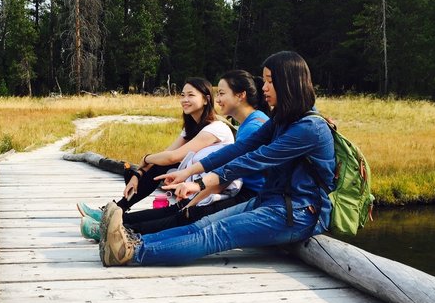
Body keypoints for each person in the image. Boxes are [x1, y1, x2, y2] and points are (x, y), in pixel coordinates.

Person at [99, 51, 335, 267]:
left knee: (215, 233)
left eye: (270, 81)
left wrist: (201, 183)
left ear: (289, 82)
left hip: (300, 213)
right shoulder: (282, 120)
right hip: (271, 201)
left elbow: (255, 159)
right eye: (265, 80)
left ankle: (132, 252)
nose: (264, 88)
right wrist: (189, 172)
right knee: (200, 225)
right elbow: (240, 148)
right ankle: (132, 240)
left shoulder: (309, 128)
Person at [79, 70, 269, 239]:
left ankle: (117, 229)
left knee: (185, 214)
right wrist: (139, 172)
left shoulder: (233, 127)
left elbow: (227, 171)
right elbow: (169, 155)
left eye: (221, 93)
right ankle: (114, 219)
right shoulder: (245, 125)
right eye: (182, 95)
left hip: (243, 193)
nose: (218, 99)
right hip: (217, 185)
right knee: (177, 205)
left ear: (240, 95)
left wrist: (195, 191)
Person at [77, 77, 232, 222]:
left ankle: (116, 215)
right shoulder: (191, 127)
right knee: (158, 165)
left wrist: (145, 158)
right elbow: (166, 154)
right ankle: (116, 210)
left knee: (160, 164)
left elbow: (173, 157)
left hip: (212, 185)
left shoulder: (215, 128)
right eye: (182, 95)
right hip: (194, 179)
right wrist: (138, 173)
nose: (185, 100)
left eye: (191, 95)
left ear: (206, 99)